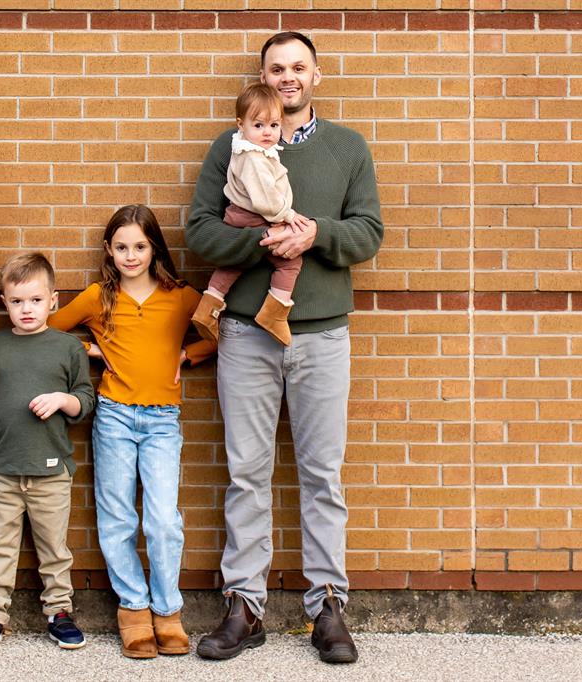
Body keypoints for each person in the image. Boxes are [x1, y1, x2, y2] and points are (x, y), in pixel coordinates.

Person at [185, 32, 383, 664]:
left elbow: (369, 233)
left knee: (322, 474)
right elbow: (200, 233)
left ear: (316, 75)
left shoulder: (347, 148)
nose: (288, 77)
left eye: (299, 67)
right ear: (263, 77)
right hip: (245, 334)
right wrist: (268, 242)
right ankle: (244, 606)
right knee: (247, 473)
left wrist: (314, 235)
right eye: (277, 68)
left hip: (322, 335)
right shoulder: (232, 145)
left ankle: (327, 608)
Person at [49, 205, 216, 659]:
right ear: (109, 250)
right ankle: (133, 609)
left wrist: (188, 355)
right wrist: (90, 349)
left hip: (162, 420)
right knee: (118, 517)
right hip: (114, 416)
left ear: (154, 248)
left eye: (140, 246)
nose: (131, 256)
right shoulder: (97, 297)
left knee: (162, 521)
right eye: (121, 247)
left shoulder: (180, 296)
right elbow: (48, 331)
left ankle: (168, 610)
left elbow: (221, 332)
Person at [0, 253, 95, 653]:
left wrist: (61, 400)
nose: (27, 309)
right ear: (4, 302)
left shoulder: (67, 347)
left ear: (53, 301)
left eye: (36, 300)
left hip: (51, 470)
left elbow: (86, 398)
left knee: (54, 548)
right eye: (18, 301)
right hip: (3, 468)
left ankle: (59, 612)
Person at [191, 82, 315, 347]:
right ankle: (274, 313)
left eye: (274, 125)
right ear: (241, 124)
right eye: (258, 125)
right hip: (254, 216)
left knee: (234, 262)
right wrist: (286, 215)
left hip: (239, 214)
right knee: (289, 262)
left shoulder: (249, 149)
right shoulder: (253, 157)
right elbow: (265, 197)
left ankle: (207, 308)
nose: (267, 132)